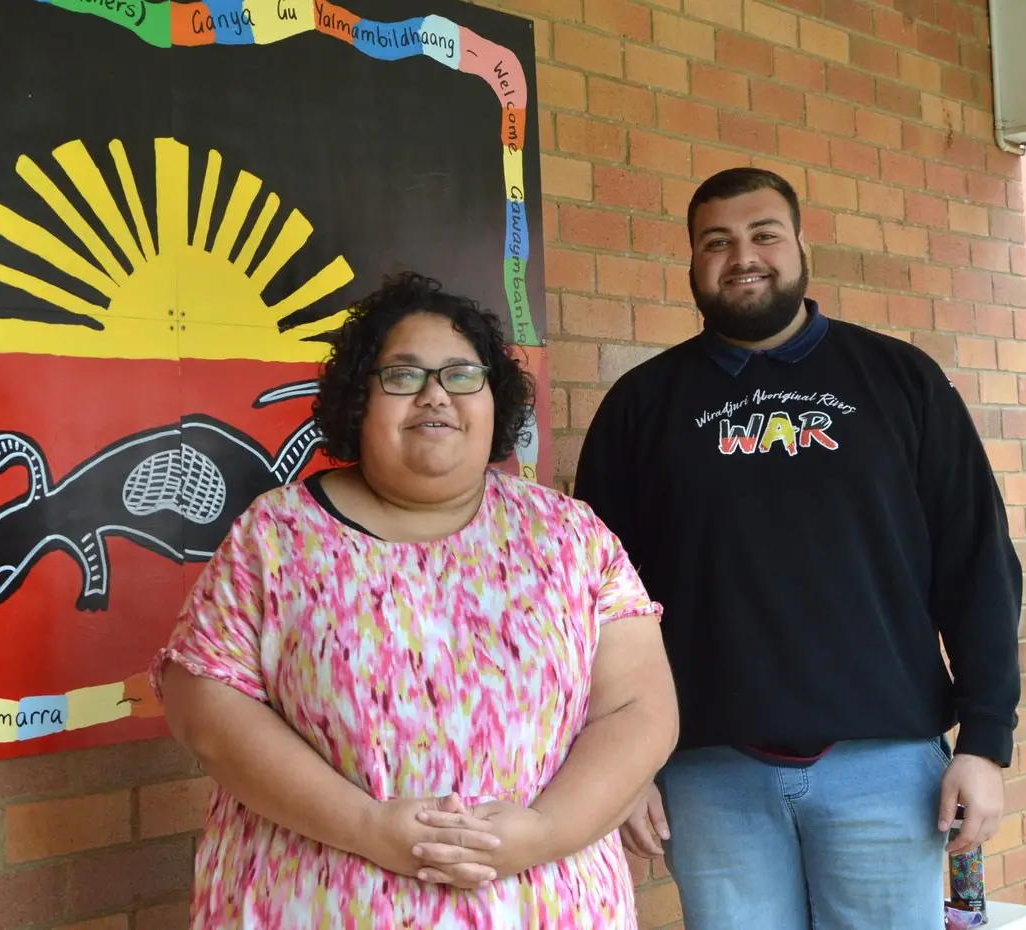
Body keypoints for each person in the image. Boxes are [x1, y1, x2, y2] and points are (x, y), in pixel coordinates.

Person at [151, 271, 678, 927]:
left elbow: (638, 707)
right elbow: (204, 706)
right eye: (402, 376)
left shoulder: (571, 535)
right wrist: (369, 827)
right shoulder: (277, 535)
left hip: (544, 902)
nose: (434, 395)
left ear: (494, 399)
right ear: (358, 402)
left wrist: (542, 832)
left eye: (461, 374)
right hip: (314, 903)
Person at [573, 166, 1023, 930]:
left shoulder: (899, 380)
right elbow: (594, 604)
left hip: (885, 767)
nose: (741, 255)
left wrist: (984, 739)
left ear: (799, 244)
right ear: (690, 262)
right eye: (715, 241)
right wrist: (618, 765)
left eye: (762, 234)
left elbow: (976, 559)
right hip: (705, 775)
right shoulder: (641, 406)